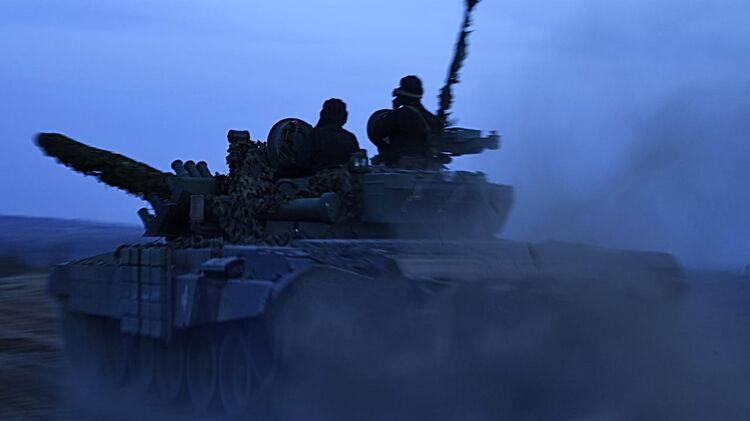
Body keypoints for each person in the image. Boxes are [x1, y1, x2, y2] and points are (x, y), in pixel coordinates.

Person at [369, 75, 442, 166]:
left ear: (402, 95)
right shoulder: (431, 118)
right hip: (427, 166)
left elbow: (376, 133)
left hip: (399, 166)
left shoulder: (398, 115)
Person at [301, 98, 360, 174]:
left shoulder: (315, 135)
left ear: (323, 114)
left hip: (317, 178)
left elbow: (302, 161)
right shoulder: (350, 137)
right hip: (347, 179)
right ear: (344, 116)